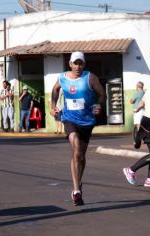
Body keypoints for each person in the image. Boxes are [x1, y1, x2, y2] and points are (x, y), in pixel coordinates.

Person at [50, 51, 106, 206]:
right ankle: (76, 190)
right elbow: (55, 90)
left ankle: (78, 182)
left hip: (87, 121)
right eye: (75, 63)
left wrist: (98, 105)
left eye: (80, 63)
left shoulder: (90, 78)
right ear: (70, 64)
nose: (78, 66)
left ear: (84, 64)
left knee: (80, 155)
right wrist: (53, 106)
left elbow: (102, 94)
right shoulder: (62, 78)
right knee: (75, 147)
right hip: (69, 119)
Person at [131, 81, 145, 146]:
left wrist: (132, 100)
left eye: (136, 86)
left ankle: (139, 140)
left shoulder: (138, 93)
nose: (136, 87)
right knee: (142, 125)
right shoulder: (144, 93)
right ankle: (142, 139)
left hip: (138, 111)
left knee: (138, 125)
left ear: (138, 87)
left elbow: (131, 101)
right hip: (143, 110)